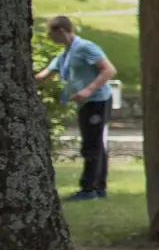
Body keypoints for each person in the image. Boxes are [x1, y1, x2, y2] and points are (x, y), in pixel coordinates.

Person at [35, 16, 117, 201]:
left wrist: (88, 90)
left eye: (51, 33)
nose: (49, 37)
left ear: (62, 31)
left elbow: (109, 70)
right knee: (95, 143)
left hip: (97, 100)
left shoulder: (85, 48)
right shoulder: (65, 55)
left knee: (91, 145)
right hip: (85, 103)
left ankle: (88, 189)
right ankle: (99, 187)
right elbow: (45, 75)